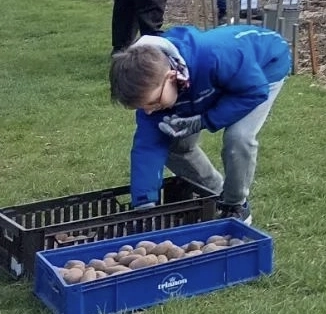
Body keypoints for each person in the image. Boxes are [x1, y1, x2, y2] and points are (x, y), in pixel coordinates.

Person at [110, 24, 290, 223]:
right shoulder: (152, 90)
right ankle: (215, 192)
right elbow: (147, 147)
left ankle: (235, 204)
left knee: (239, 137)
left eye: (153, 103)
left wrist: (205, 120)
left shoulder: (212, 56)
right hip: (218, 81)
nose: (149, 111)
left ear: (171, 77)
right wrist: (144, 203)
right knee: (174, 144)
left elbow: (253, 92)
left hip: (264, 70)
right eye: (143, 107)